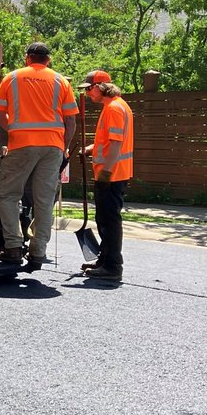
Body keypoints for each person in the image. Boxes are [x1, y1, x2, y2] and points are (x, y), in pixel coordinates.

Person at [0, 42, 78, 268]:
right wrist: (64, 148)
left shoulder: (12, 78)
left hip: (22, 144)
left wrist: (13, 130)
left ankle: (13, 246)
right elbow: (70, 120)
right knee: (44, 200)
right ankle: (38, 252)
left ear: (27, 58)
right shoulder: (61, 81)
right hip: (53, 147)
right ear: (48, 60)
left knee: (9, 194)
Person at [79, 69, 134, 281]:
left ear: (99, 87)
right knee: (104, 219)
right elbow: (108, 142)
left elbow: (116, 143)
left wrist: (106, 172)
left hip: (111, 175)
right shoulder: (115, 106)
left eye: (89, 89)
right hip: (113, 173)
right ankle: (104, 260)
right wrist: (90, 149)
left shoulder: (114, 109)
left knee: (109, 221)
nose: (87, 94)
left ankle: (112, 266)